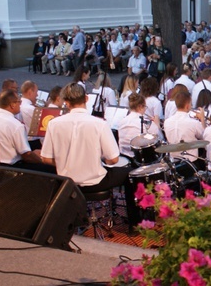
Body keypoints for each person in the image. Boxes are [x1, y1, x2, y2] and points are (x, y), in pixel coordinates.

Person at [41, 83, 138, 226]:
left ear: (66, 102)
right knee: (131, 173)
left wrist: (66, 161)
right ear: (86, 98)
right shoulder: (99, 124)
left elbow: (46, 158)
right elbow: (113, 159)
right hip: (95, 182)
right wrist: (101, 160)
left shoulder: (54, 124)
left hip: (67, 183)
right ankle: (134, 224)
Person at [0, 90, 55, 173]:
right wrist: (42, 160)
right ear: (12, 105)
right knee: (51, 169)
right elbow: (27, 156)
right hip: (10, 169)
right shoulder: (15, 125)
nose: (21, 104)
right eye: (19, 101)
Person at [164, 92, 207, 168]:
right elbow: (204, 137)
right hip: (191, 161)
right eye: (191, 104)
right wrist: (202, 119)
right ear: (187, 106)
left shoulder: (167, 122)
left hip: (174, 160)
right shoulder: (193, 123)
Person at [118, 93, 162, 158]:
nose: (145, 109)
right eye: (145, 107)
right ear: (140, 107)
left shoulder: (121, 121)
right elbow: (159, 138)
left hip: (123, 157)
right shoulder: (146, 123)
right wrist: (157, 125)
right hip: (139, 159)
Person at [19, 81, 42, 150]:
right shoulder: (31, 109)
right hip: (32, 142)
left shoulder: (18, 104)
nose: (37, 95)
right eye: (36, 92)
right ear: (30, 92)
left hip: (22, 140)